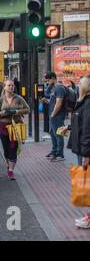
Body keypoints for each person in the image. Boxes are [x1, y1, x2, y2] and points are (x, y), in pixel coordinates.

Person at [61, 75, 90, 229]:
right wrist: (69, 127)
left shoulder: (88, 103)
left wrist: (86, 154)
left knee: (88, 185)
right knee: (86, 185)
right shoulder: (84, 101)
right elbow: (81, 122)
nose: (78, 85)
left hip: (85, 150)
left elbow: (87, 130)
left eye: (80, 83)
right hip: (82, 149)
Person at [0, 80, 30, 180]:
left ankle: (11, 171)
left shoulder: (18, 98)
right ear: (4, 87)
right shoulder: (1, 100)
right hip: (3, 126)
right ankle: (9, 164)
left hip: (15, 126)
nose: (11, 87)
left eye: (12, 85)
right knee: (6, 149)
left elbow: (28, 109)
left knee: (13, 147)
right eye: (9, 85)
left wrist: (17, 111)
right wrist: (4, 113)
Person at [45, 71, 68, 162]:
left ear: (53, 78)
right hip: (53, 114)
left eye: (48, 80)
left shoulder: (59, 88)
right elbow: (54, 101)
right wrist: (46, 101)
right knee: (53, 134)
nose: (47, 82)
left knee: (58, 134)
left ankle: (60, 154)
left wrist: (53, 115)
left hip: (57, 115)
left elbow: (59, 103)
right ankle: (54, 152)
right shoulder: (54, 87)